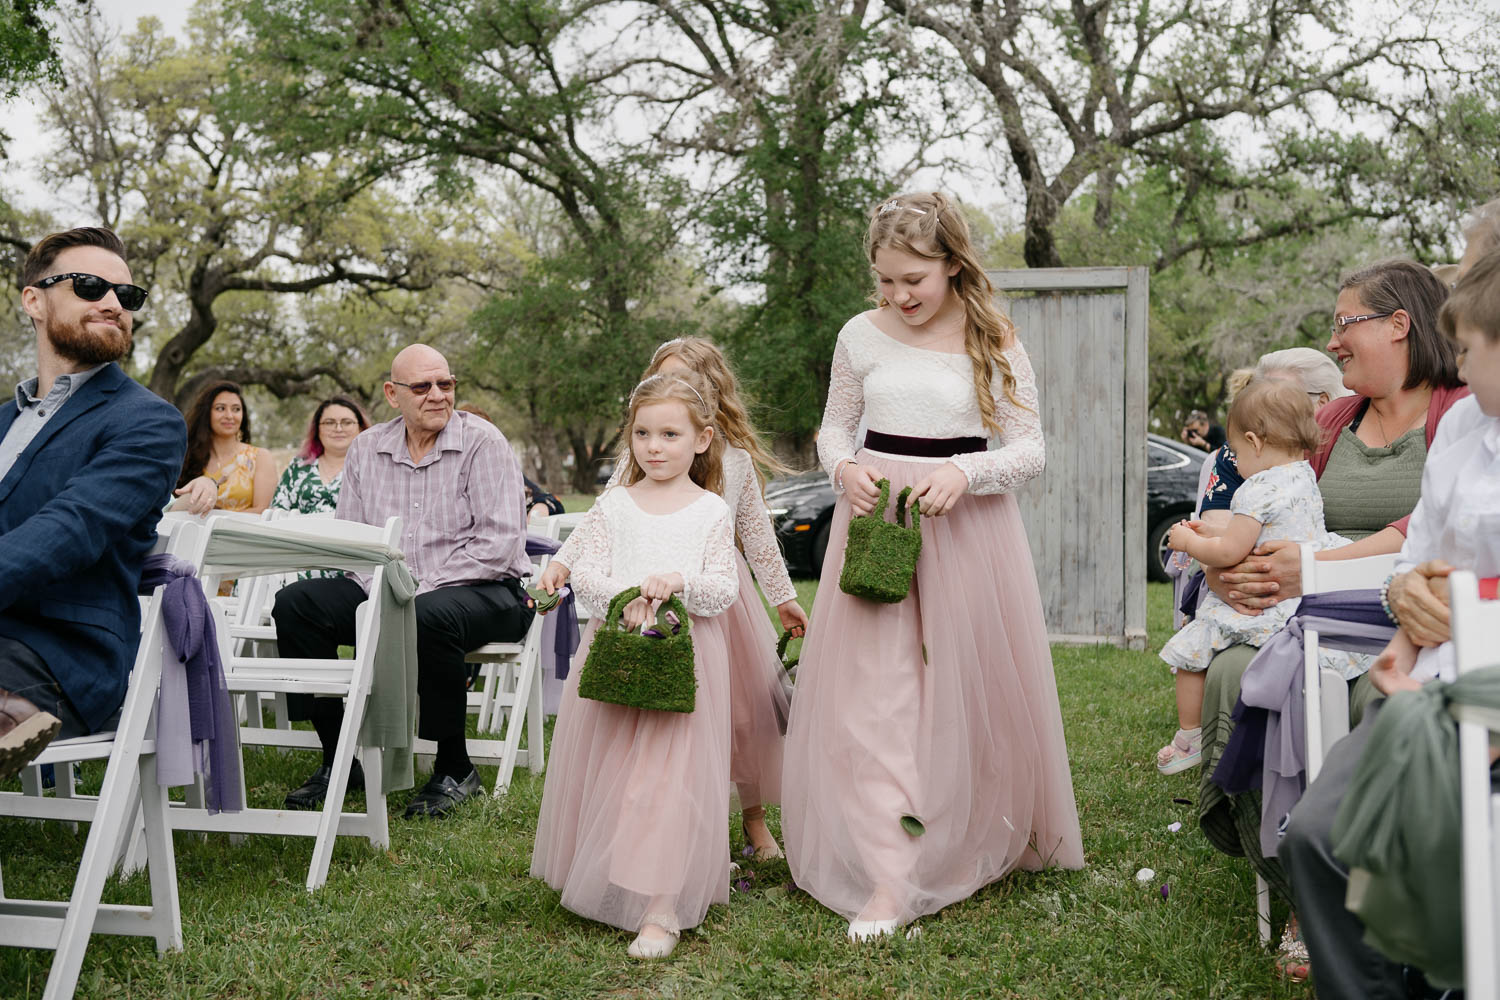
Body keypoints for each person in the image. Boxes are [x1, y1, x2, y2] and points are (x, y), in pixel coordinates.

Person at [780, 192, 1083, 942]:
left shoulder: (994, 337)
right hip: (875, 525)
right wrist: (843, 467)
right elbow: (832, 427)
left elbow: (1030, 449)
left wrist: (965, 474)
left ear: (952, 263)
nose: (897, 295)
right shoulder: (860, 335)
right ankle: (888, 875)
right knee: (877, 700)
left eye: (912, 278)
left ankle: (967, 830)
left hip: (965, 534)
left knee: (954, 696)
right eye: (884, 280)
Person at [1196, 258, 1467, 979]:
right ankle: (1299, 890)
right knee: (1232, 673)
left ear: (1399, 325)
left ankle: (1376, 900)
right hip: (1300, 618)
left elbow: (1435, 528)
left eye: (1346, 323)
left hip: (1408, 620)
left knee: (1368, 694)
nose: (1334, 341)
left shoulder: (1462, 413)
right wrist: (1228, 565)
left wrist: (1317, 567)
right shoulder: (1330, 420)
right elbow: (1252, 502)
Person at [1280, 243, 1500, 1000]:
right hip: (1434, 683)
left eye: (1469, 349)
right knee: (1317, 836)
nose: (1459, 370)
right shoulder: (1465, 429)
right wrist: (1403, 619)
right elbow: (1423, 554)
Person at [537, 335, 810, 860]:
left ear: (709, 392)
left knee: (739, 716)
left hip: (715, 607)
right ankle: (654, 827)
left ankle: (753, 822)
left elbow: (756, 536)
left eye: (687, 381)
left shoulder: (732, 461)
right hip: (644, 600)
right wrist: (564, 562)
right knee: (658, 712)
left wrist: (782, 598)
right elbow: (600, 519)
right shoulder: (639, 461)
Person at [270, 345, 534, 818]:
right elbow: (353, 538)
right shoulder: (368, 449)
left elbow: (498, 544)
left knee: (429, 614)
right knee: (296, 603)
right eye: (422, 387)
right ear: (393, 395)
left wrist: (414, 591)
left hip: (485, 590)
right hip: (385, 587)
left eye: (446, 384)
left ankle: (455, 767)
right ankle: (338, 758)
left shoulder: (483, 442)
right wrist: (381, 591)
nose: (437, 396)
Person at [531, 371, 739, 960]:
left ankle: (662, 904)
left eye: (670, 434)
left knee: (668, 780)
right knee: (619, 773)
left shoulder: (710, 512)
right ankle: (612, 874)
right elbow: (588, 576)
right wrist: (628, 598)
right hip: (617, 650)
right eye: (643, 433)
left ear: (701, 439)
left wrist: (677, 584)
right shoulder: (614, 505)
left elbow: (723, 589)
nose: (654, 446)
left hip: (682, 655)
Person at [0, 226, 186, 778]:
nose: (112, 303)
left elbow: (69, 529)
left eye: (126, 296)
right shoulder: (0, 421)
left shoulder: (147, 422)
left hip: (60, 650)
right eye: (88, 285)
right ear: (34, 299)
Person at [1157, 378, 1359, 773]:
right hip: (1304, 594)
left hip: (1266, 604)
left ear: (1255, 442)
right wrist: (1213, 532)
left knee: (1189, 652)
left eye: (1234, 452)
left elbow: (1232, 550)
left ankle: (1190, 737)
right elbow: (1265, 531)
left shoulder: (1254, 488)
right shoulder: (1303, 476)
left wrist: (1187, 540)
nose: (1235, 461)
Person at [271, 396, 370, 577]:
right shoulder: (299, 467)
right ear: (317, 429)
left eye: (346, 422)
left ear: (361, 428)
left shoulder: (371, 469)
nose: (338, 428)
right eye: (329, 422)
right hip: (297, 555)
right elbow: (278, 511)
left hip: (348, 559)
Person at [172, 380, 276, 516]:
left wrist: (215, 518)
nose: (229, 416)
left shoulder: (260, 457)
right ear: (206, 413)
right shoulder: (187, 456)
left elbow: (262, 511)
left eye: (236, 409)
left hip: (241, 535)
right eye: (220, 408)